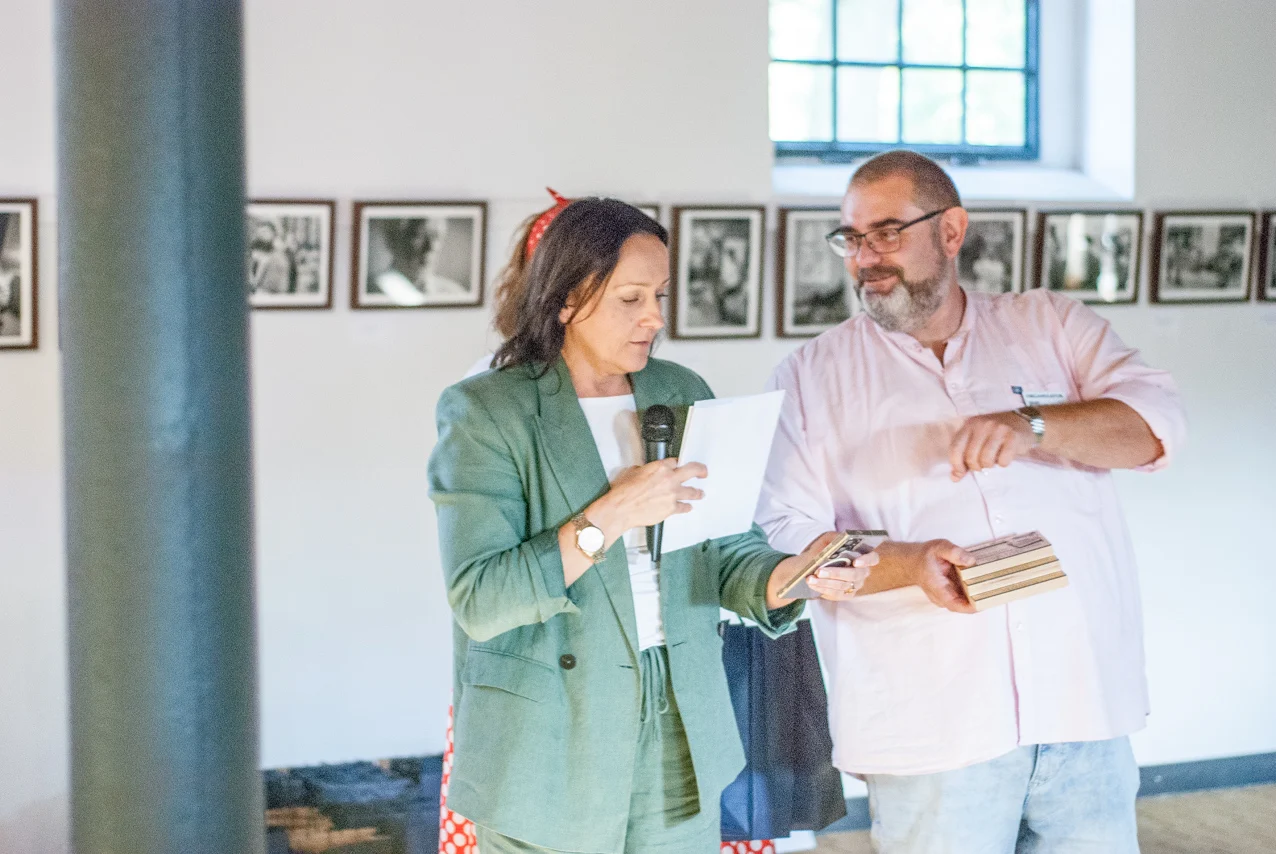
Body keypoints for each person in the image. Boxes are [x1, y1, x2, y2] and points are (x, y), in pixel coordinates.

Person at [757, 150, 1186, 854]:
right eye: (852, 238)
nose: (866, 258)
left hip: (1082, 704)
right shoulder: (811, 376)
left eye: (887, 232)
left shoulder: (1049, 325)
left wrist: (1035, 426)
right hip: (934, 726)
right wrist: (909, 563)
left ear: (951, 231)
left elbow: (1155, 426)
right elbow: (785, 542)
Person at [429, 198, 875, 853]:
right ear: (567, 299)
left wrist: (797, 574)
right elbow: (483, 597)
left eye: (659, 296)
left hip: (679, 714)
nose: (656, 318)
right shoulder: (487, 410)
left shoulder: (680, 389)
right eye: (631, 298)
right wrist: (613, 512)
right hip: (548, 729)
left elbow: (727, 550)